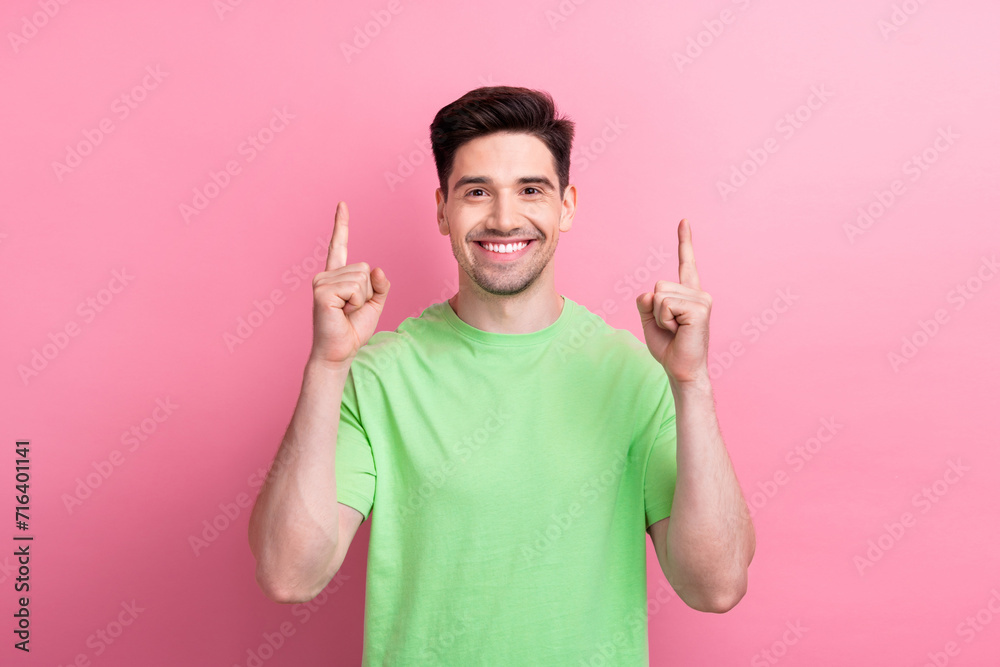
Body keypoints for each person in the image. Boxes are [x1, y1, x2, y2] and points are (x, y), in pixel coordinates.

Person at [248, 86, 755, 665]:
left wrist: (691, 384)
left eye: (531, 190)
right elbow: (288, 575)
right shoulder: (375, 376)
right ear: (442, 209)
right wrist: (326, 366)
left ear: (566, 205)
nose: (504, 217)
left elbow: (716, 586)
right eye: (477, 192)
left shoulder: (638, 375)